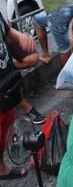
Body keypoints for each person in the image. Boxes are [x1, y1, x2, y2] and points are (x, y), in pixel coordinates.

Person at [0, 0, 46, 125]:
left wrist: (21, 36)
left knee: (32, 58)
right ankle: (27, 108)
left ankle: (8, 68)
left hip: (4, 38)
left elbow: (7, 30)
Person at [0, 12, 37, 180]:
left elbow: (6, 32)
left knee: (5, 129)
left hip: (6, 85)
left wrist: (21, 36)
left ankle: (1, 168)